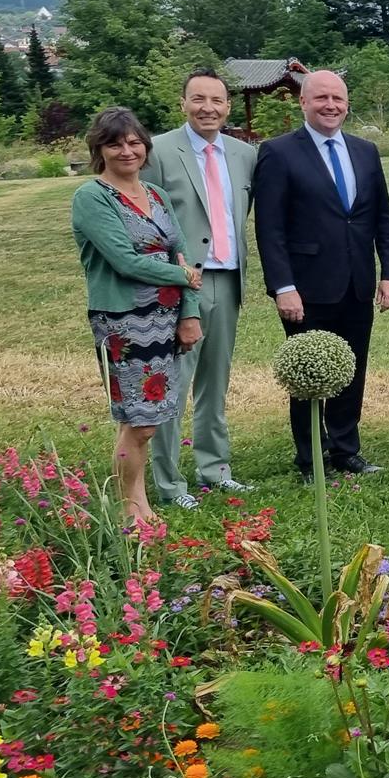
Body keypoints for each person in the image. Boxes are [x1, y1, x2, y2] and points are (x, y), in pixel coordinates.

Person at [253, 70, 389, 483]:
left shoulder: (365, 151)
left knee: (351, 370)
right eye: (321, 98)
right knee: (309, 374)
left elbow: (382, 219)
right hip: (306, 287)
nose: (331, 105)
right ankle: (310, 459)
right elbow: (270, 228)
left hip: (357, 282)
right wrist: (284, 287)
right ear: (303, 102)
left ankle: (346, 449)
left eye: (338, 97)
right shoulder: (279, 152)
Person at [72, 107, 202, 526]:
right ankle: (132, 508)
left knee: (155, 414)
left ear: (145, 146)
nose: (127, 150)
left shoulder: (157, 195)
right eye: (115, 143)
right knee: (139, 420)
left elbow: (181, 254)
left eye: (133, 142)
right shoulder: (92, 197)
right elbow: (126, 262)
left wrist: (189, 311)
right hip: (125, 321)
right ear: (99, 149)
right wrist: (182, 273)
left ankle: (139, 499)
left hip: (165, 317)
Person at [142, 67, 255, 506]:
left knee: (215, 382)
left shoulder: (244, 155)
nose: (208, 108)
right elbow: (147, 223)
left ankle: (214, 468)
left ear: (227, 106)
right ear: (183, 103)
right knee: (171, 385)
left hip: (227, 280)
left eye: (217, 100)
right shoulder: (160, 152)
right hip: (179, 286)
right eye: (199, 99)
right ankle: (169, 483)